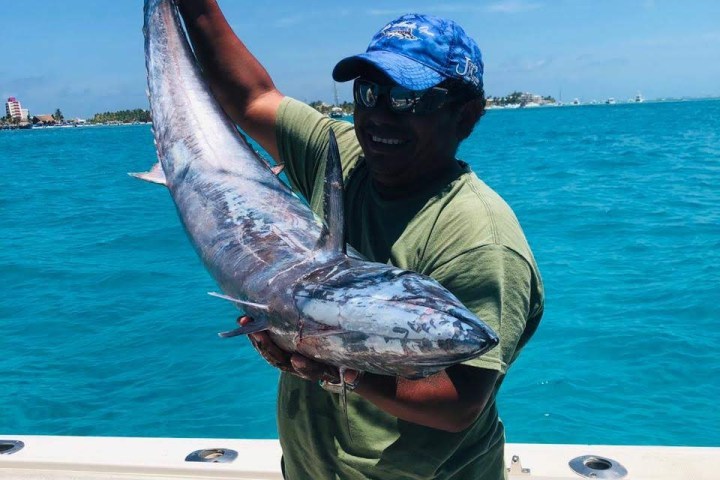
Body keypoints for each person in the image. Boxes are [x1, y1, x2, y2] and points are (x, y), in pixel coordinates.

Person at [177, 2, 544, 479]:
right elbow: (251, 97)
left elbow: (458, 403)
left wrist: (331, 365)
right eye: (369, 93)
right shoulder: (344, 156)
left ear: (466, 117)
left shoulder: (479, 239)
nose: (380, 117)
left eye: (411, 99)